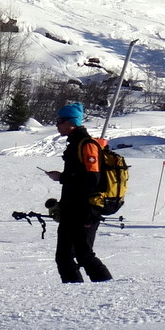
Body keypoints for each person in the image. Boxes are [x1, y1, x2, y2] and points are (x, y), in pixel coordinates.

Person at [44, 102, 113, 283]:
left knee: (84, 255)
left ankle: (110, 290)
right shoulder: (75, 144)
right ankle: (75, 297)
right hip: (71, 210)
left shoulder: (87, 145)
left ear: (71, 123)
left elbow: (92, 180)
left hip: (85, 211)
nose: (57, 124)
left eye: (60, 120)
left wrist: (62, 177)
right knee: (63, 257)